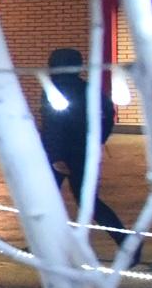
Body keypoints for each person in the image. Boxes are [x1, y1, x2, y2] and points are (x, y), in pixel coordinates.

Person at [37, 47, 123, 242]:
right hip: (84, 152)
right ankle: (127, 243)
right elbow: (109, 114)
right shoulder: (89, 89)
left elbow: (54, 125)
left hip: (60, 155)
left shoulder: (53, 90)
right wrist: (98, 138)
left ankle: (44, 244)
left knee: (45, 201)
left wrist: (56, 156)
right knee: (88, 201)